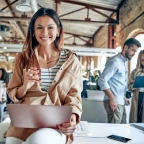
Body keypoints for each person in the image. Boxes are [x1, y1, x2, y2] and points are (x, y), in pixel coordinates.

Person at [5, 7, 82, 144]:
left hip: (56, 124)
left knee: (38, 141)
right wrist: (25, 85)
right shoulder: (23, 58)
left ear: (58, 30)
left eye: (50, 27)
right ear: (33, 31)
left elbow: (74, 95)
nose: (45, 32)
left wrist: (73, 117)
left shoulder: (71, 60)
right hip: (25, 123)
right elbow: (12, 93)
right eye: (39, 27)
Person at [98, 38, 141, 123]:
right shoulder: (115, 61)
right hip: (115, 102)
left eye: (135, 52)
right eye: (133, 50)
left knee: (122, 130)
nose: (134, 54)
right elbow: (102, 80)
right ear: (125, 48)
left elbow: (117, 83)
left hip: (120, 101)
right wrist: (112, 98)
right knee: (115, 133)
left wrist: (123, 97)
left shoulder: (123, 62)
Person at [128, 50, 144, 123]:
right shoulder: (134, 72)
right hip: (137, 97)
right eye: (143, 60)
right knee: (136, 117)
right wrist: (134, 84)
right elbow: (129, 87)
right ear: (139, 60)